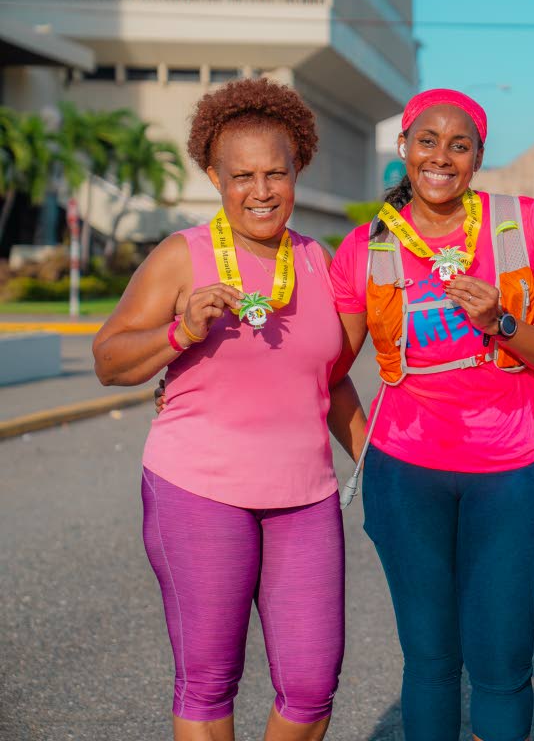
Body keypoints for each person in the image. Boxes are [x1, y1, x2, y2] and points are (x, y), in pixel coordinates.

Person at [94, 78, 362, 741]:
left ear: (299, 168)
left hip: (304, 496)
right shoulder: (180, 255)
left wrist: (380, 460)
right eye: (242, 175)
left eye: (277, 172)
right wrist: (177, 333)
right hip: (198, 491)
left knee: (310, 685)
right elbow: (109, 360)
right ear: (214, 176)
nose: (261, 190)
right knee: (209, 679)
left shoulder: (319, 261)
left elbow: (332, 380)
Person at [327, 88, 534, 741]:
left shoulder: (523, 223)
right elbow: (324, 370)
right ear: (404, 148)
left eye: (459, 144)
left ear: (477, 157)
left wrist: (500, 321)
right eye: (428, 140)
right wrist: (370, 452)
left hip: (511, 471)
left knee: (501, 665)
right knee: (431, 662)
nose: (441, 156)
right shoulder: (366, 246)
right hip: (405, 474)